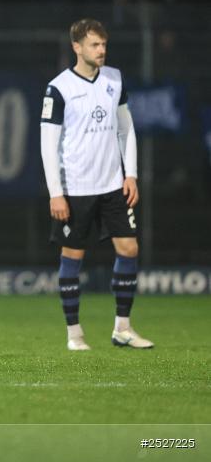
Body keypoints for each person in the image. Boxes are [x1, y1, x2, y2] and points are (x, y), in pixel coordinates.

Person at [40, 18, 153, 351]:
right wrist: (55, 193)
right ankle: (74, 334)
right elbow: (48, 144)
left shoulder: (114, 79)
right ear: (77, 47)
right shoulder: (58, 88)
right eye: (94, 45)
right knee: (73, 256)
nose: (101, 50)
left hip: (112, 186)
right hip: (75, 189)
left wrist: (130, 174)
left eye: (103, 44)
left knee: (129, 249)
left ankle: (123, 328)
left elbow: (126, 129)